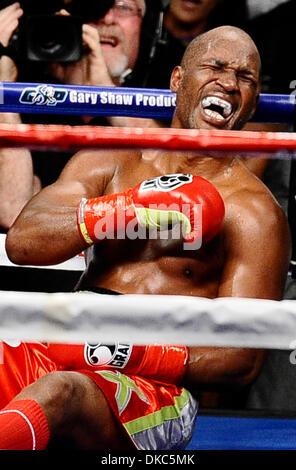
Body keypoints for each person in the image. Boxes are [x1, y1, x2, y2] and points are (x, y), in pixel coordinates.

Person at [3, 25, 291, 450]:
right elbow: (23, 242)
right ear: (178, 80)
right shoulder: (114, 160)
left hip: (154, 391)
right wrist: (126, 212)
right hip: (65, 347)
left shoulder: (255, 211)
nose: (229, 83)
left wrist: (122, 350)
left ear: (250, 105)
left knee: (59, 393)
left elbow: (241, 360)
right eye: (215, 67)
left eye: (245, 78)